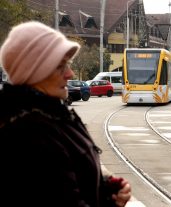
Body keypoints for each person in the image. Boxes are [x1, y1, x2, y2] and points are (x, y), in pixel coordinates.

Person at [0, 21, 131, 207]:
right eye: (60, 66)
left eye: (68, 64)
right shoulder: (31, 133)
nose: (70, 74)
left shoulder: (52, 115)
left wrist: (106, 190)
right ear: (34, 72)